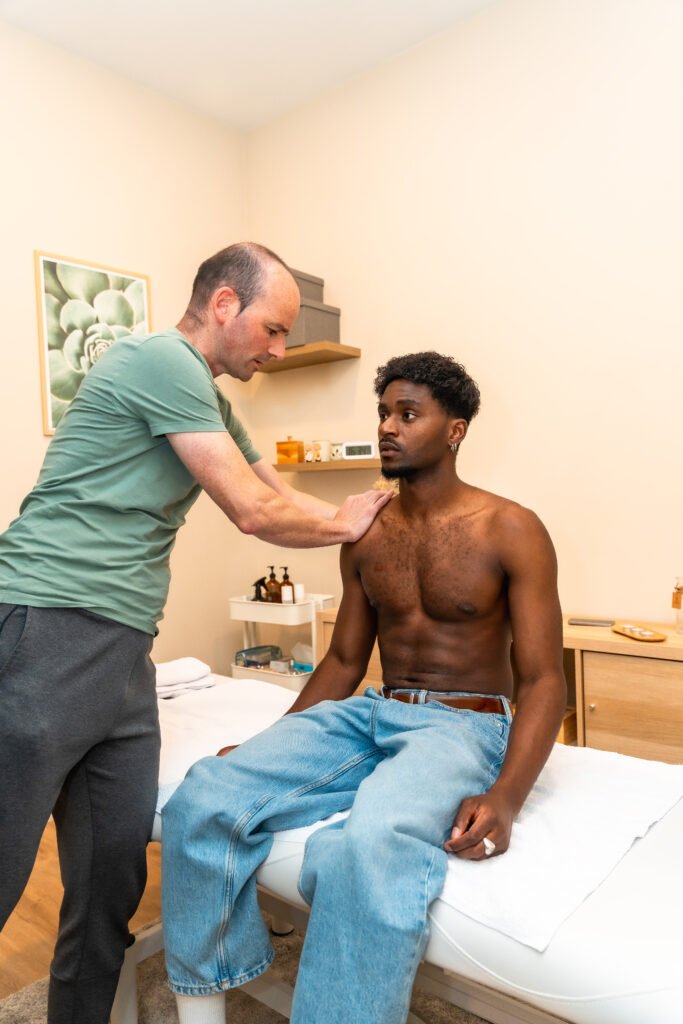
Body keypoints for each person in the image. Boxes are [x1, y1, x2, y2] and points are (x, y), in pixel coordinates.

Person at [0, 242, 390, 1024]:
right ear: (222, 305)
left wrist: (371, 522)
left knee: (110, 882)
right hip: (47, 628)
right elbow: (250, 511)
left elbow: (274, 493)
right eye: (273, 329)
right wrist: (345, 528)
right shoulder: (158, 359)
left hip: (120, 655)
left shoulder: (211, 402)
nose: (277, 349)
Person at [160, 351, 567, 1024]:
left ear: (454, 430)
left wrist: (506, 797)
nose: (388, 427)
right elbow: (343, 661)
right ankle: (206, 999)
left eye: (408, 414)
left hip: (463, 723)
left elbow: (544, 678)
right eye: (383, 413)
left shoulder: (510, 528)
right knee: (205, 791)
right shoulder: (365, 532)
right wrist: (269, 743)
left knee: (365, 843)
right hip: (373, 710)